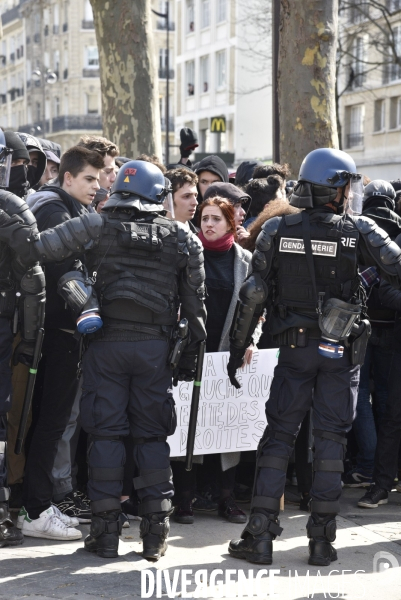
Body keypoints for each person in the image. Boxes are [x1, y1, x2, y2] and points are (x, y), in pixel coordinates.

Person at [4, 160, 207, 560]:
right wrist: (189, 361)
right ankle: (155, 535)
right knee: (152, 438)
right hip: (154, 350)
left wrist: (75, 281)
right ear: (157, 195)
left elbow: (38, 251)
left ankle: (106, 534)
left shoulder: (97, 225)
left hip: (105, 346)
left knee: (105, 436)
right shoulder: (183, 239)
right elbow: (197, 311)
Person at [226, 148, 401, 567]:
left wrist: (237, 349)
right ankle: (322, 542)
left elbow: (252, 294)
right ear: (336, 186)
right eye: (347, 186)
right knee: (331, 444)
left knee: (278, 439)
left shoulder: (277, 229)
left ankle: (261, 537)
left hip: (293, 349)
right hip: (340, 352)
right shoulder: (359, 229)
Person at [16, 147, 104, 540]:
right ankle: (35, 509)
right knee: (49, 424)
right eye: (89, 178)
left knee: (45, 425)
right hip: (57, 335)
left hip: (48, 334)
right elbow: (63, 276)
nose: (97, 186)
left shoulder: (58, 205)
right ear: (67, 177)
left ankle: (35, 504)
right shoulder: (55, 209)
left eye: (99, 179)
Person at [172, 196, 258, 526]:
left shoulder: (245, 261)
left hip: (227, 355)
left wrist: (249, 342)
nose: (208, 224)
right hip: (191, 354)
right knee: (187, 427)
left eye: (216, 219)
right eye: (204, 218)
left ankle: (226, 498)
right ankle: (184, 499)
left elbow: (255, 311)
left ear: (231, 224)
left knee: (225, 428)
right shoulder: (188, 254)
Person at [0, 129, 47, 547]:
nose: (20, 171)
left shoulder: (11, 206)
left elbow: (31, 272)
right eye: (13, 163)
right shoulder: (11, 205)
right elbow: (35, 265)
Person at [343, 180, 401, 489]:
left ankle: (368, 464)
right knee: (387, 402)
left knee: (359, 396)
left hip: (360, 326)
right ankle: (382, 468)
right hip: (390, 329)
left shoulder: (356, 226)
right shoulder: (397, 231)